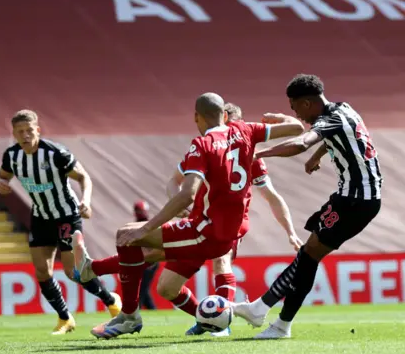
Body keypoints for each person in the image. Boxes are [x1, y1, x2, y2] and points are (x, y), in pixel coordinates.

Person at [73, 92, 304, 339]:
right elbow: (298, 127)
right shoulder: (245, 131)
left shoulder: (202, 145)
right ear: (225, 117)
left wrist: (147, 226)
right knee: (165, 285)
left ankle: (121, 306)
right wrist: (279, 117)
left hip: (209, 231)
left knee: (131, 235)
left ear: (196, 117)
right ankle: (210, 320)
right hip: (206, 225)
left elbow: (187, 195)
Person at [232, 74, 382, 339]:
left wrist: (257, 154)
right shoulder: (344, 109)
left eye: (295, 108)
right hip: (355, 198)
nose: (297, 116)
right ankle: (265, 311)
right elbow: (335, 137)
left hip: (356, 200)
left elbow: (301, 142)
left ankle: (274, 319)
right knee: (308, 254)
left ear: (307, 103)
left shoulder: (329, 119)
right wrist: (317, 155)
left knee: (309, 255)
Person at [156, 102, 302, 338]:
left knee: (220, 261)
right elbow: (174, 181)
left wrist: (290, 232)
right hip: (196, 225)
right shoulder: (205, 148)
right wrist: (178, 204)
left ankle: (220, 324)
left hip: (227, 225)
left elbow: (272, 197)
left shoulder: (250, 156)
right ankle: (208, 319)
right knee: (166, 287)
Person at [0, 110, 121, 335]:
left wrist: (86, 201)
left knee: (73, 272)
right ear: (13, 133)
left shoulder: (55, 153)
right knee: (42, 271)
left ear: (38, 131)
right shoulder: (12, 156)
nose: (25, 135)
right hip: (41, 217)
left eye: (29, 130)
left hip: (66, 215)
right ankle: (65, 318)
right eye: (20, 132)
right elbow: (2, 176)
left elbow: (83, 177)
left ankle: (110, 300)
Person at [134, 201, 158, 311]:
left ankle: (136, 309)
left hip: (150, 260)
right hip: (142, 260)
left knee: (141, 287)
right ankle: (152, 309)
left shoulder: (150, 225)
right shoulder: (137, 226)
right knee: (143, 288)